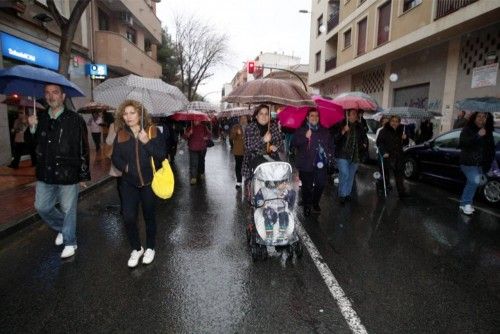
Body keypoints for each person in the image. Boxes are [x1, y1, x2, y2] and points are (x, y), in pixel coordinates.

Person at [27, 84, 90, 259]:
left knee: (68, 209)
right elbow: (33, 147)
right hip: (45, 172)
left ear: (63, 96)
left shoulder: (75, 119)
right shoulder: (40, 118)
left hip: (68, 172)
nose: (50, 96)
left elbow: (83, 147)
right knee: (42, 207)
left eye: (55, 92)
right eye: (47, 93)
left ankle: (70, 241)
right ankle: (64, 227)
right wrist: (32, 129)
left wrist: (83, 174)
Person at [111, 100, 166, 267]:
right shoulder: (120, 134)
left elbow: (161, 155)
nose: (128, 117)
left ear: (140, 114)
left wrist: (146, 142)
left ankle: (150, 247)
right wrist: (125, 167)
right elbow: (115, 157)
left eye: (132, 113)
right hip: (129, 184)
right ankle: (136, 248)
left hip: (149, 183)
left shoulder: (152, 131)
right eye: (125, 113)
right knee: (128, 218)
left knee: (149, 216)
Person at [291, 109, 333, 216]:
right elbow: (294, 143)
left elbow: (330, 145)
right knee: (307, 186)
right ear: (307, 118)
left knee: (321, 184)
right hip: (306, 164)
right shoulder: (301, 130)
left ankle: (315, 202)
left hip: (321, 163)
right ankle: (307, 205)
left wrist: (329, 155)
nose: (314, 118)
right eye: (312, 116)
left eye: (316, 116)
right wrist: (305, 137)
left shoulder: (324, 130)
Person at [458, 112, 495, 215]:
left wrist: (490, 162)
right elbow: (463, 143)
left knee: (471, 182)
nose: (481, 119)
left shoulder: (488, 132)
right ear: (474, 118)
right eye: (479, 116)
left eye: (484, 117)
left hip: (481, 163)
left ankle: (463, 204)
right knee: (475, 181)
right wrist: (478, 135)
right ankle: (467, 204)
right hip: (468, 162)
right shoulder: (467, 129)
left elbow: (491, 148)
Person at [242, 105, 283, 189]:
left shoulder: (273, 126)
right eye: (261, 114)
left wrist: (276, 146)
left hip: (271, 165)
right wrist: (263, 140)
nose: (264, 116)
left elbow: (280, 142)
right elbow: (248, 147)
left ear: (269, 116)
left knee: (272, 191)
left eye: (266, 114)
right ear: (256, 116)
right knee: (257, 193)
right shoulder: (250, 127)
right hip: (254, 165)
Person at [331, 109, 368, 204]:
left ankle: (347, 194)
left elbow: (364, 138)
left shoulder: (359, 127)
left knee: (351, 176)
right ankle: (342, 195)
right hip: (342, 155)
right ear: (347, 115)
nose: (355, 116)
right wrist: (343, 131)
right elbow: (334, 140)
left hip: (355, 155)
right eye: (353, 114)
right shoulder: (340, 125)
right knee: (345, 174)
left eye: (356, 114)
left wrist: (364, 144)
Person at [376, 115, 410, 198]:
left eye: (396, 121)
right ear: (390, 122)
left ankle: (401, 192)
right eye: (393, 121)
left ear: (399, 123)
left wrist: (405, 138)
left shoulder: (401, 131)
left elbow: (405, 143)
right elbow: (379, 143)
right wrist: (383, 152)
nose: (394, 123)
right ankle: (382, 189)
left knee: (399, 176)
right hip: (387, 156)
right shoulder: (384, 131)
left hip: (398, 156)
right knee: (385, 176)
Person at [182, 120, 211, 185]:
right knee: (193, 162)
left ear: (200, 121)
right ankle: (193, 177)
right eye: (194, 120)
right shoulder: (190, 127)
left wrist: (207, 137)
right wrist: (189, 133)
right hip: (192, 148)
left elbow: (209, 134)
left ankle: (201, 172)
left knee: (201, 161)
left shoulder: (204, 127)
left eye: (197, 120)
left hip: (202, 148)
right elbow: (184, 137)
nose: (196, 121)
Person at [229, 115, 247, 188]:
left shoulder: (250, 127)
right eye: (242, 118)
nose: (243, 120)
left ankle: (247, 181)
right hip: (238, 150)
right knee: (238, 166)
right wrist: (236, 133)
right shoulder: (236, 127)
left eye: (245, 118)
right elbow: (231, 137)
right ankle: (239, 181)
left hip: (248, 150)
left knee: (247, 166)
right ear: (239, 119)